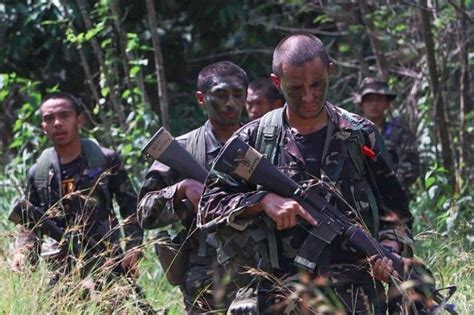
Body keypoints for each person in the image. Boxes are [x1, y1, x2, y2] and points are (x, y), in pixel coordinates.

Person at [198, 33, 414, 314]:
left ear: (331, 72)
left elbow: (397, 213)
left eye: (317, 85)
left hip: (354, 297)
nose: (309, 96)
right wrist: (261, 202)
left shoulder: (359, 135)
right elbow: (208, 207)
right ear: (277, 83)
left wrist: (387, 247)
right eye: (296, 88)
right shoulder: (254, 139)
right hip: (280, 296)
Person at [137, 61, 248, 313]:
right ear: (201, 98)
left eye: (237, 94)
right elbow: (143, 213)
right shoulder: (182, 149)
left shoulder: (262, 145)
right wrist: (180, 190)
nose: (230, 103)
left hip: (258, 275)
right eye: (221, 95)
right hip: (206, 280)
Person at [10, 92, 143, 284]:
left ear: (79, 120)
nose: (57, 123)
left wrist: (133, 248)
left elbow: (130, 206)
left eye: (64, 115)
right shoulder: (38, 172)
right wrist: (22, 252)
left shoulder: (105, 160)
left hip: (105, 262)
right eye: (49, 118)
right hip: (58, 271)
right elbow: (30, 222)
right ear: (43, 127)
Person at [357, 77, 420, 195]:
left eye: (379, 99)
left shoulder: (399, 133)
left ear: (387, 103)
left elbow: (410, 166)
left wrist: (392, 189)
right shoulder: (349, 133)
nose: (374, 104)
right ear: (361, 104)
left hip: (392, 200)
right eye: (369, 100)